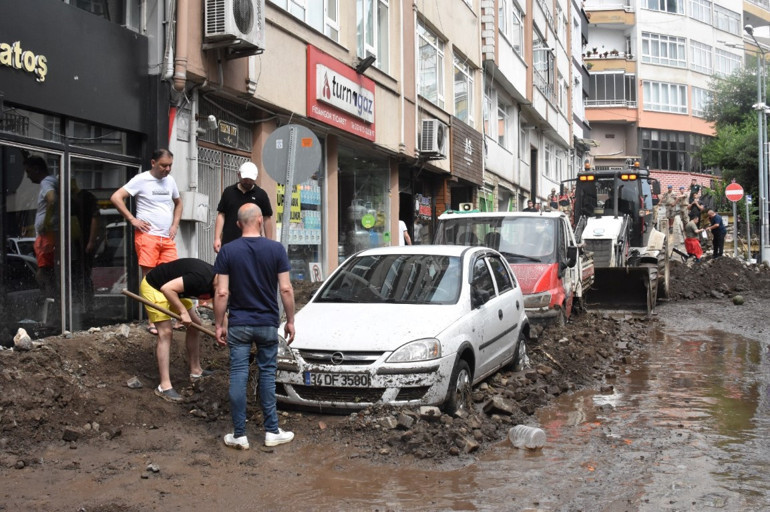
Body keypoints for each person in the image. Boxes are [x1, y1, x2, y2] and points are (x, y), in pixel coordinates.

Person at [213, 204, 296, 450]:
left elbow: (222, 292)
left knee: (238, 374)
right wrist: (290, 320)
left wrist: (219, 324)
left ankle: (240, 435)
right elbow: (286, 289)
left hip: (238, 324)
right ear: (260, 220)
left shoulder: (228, 251)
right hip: (267, 323)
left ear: (238, 224)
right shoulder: (276, 249)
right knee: (267, 374)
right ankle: (271, 431)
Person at [111, 149, 182, 335]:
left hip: (166, 237)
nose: (167, 169)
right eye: (163, 165)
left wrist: (175, 224)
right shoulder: (141, 179)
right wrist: (132, 219)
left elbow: (179, 202)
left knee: (172, 277)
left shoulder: (170, 181)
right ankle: (153, 321)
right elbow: (116, 197)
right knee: (150, 279)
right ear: (153, 163)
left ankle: (175, 317)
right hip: (147, 237)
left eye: (170, 166)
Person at [141, 258, 216, 402]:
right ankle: (164, 386)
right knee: (166, 332)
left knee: (195, 324)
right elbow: (166, 289)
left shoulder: (221, 283)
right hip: (155, 287)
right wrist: (183, 312)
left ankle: (196, 371)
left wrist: (222, 327)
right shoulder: (201, 278)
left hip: (172, 289)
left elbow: (221, 306)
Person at [214, 161, 274, 252]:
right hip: (229, 242)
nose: (248, 182)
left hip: (253, 246)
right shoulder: (229, 192)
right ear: (239, 175)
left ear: (256, 178)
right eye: (245, 179)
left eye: (251, 179)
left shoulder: (261, 195)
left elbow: (267, 218)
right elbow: (221, 215)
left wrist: (269, 242)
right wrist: (217, 238)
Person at [25, 155, 58, 299]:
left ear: (36, 169)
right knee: (46, 273)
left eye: (28, 171)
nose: (27, 176)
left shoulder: (46, 183)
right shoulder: (51, 181)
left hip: (46, 237)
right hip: (47, 235)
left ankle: (51, 303)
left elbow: (52, 199)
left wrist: (45, 223)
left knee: (44, 274)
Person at [71, 179, 101, 316]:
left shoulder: (86, 197)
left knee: (84, 275)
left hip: (83, 242)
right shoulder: (70, 198)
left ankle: (88, 306)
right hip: (74, 242)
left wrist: (91, 241)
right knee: (77, 274)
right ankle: (82, 305)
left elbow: (96, 218)